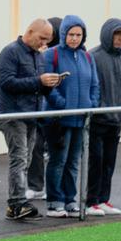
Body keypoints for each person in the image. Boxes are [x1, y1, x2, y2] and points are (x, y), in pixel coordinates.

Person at [0, 20, 58, 222]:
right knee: (20, 159)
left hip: (31, 114)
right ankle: (17, 203)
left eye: (46, 40)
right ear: (30, 32)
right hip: (13, 114)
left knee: (26, 160)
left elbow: (35, 85)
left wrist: (49, 84)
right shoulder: (10, 52)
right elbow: (6, 83)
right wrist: (40, 82)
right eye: (41, 38)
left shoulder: (38, 56)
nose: (43, 44)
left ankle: (16, 204)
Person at [40, 15, 98, 218]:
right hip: (58, 119)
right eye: (71, 34)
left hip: (80, 119)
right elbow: (47, 86)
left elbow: (94, 85)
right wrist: (62, 104)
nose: (74, 38)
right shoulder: (51, 55)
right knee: (58, 160)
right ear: (64, 34)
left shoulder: (87, 57)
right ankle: (54, 201)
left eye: (78, 35)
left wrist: (91, 104)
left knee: (74, 161)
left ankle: (69, 199)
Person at [87, 19, 121, 215]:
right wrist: (98, 109)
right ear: (108, 35)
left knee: (109, 162)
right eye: (117, 35)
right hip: (98, 120)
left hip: (117, 120)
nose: (120, 39)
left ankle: (104, 199)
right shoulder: (93, 56)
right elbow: (90, 86)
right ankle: (91, 202)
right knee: (96, 161)